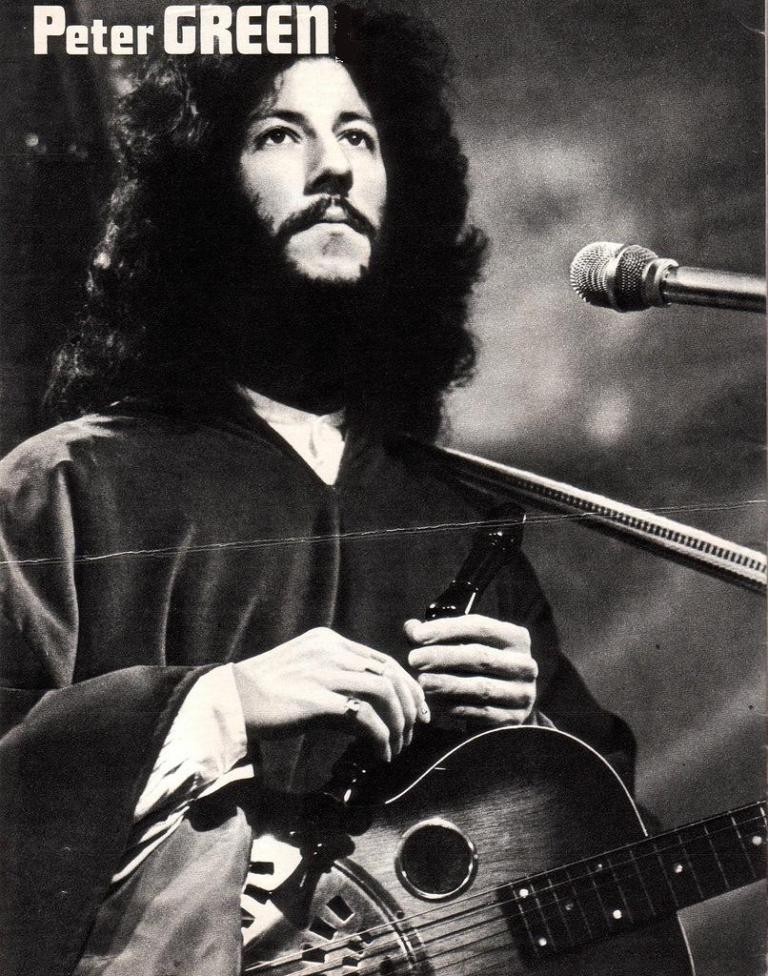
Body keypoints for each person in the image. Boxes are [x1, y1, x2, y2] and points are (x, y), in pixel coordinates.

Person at [0, 3, 635, 973]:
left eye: (360, 137)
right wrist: (216, 704)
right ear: (199, 191)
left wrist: (532, 744)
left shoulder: (461, 522)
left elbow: (617, 856)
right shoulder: (59, 489)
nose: (332, 165)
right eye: (279, 133)